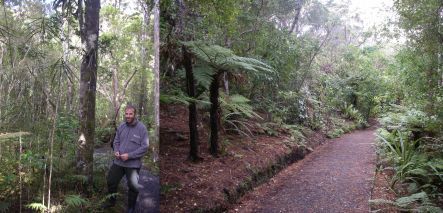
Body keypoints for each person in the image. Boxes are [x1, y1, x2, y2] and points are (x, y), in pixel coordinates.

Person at [103, 105, 149, 213]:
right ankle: (111, 201)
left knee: (133, 187)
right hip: (119, 162)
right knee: (111, 181)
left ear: (134, 114)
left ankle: (131, 207)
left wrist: (129, 155)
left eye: (130, 114)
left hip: (133, 164)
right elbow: (116, 141)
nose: (128, 116)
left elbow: (145, 147)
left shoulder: (141, 128)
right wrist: (116, 150)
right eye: (126, 114)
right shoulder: (121, 126)